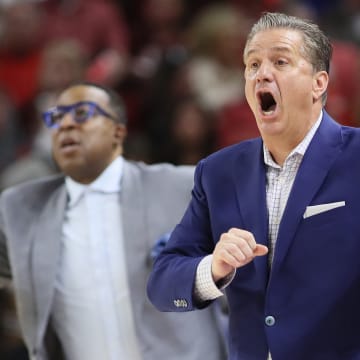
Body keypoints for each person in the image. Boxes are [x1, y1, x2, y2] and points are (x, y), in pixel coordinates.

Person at [147, 12, 360, 359]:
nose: (262, 73)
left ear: (318, 83)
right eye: (252, 64)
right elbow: (162, 283)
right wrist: (214, 267)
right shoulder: (217, 172)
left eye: (280, 61)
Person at [0, 82, 227, 360]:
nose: (66, 125)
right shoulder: (22, 210)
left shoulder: (184, 186)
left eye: (82, 114)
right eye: (57, 117)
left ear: (118, 131)